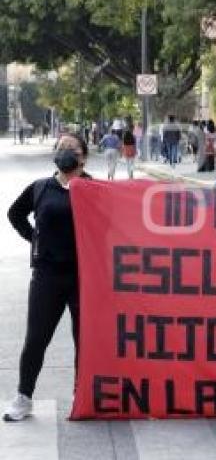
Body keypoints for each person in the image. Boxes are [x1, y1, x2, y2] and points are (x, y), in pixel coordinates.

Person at [4, 133, 92, 422]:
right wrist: (35, 239)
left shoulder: (94, 188)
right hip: (47, 276)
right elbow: (15, 214)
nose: (66, 152)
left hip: (84, 277)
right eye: (62, 147)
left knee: (85, 340)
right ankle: (23, 397)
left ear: (83, 157)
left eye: (73, 148)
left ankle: (82, 395)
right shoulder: (41, 188)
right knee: (36, 339)